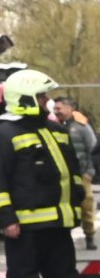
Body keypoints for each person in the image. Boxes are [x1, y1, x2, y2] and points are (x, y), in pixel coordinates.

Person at [0, 71, 91, 278]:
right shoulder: (3, 134)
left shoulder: (57, 130)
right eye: (42, 96)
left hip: (58, 222)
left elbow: (72, 171)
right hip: (24, 225)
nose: (48, 101)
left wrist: (77, 201)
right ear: (25, 98)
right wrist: (6, 218)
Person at [52, 96, 97, 250]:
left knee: (87, 206)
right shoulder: (53, 126)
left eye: (59, 108)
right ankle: (65, 238)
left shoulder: (82, 126)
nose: (56, 111)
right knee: (66, 206)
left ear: (69, 108)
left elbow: (93, 149)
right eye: (55, 108)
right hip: (63, 176)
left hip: (82, 174)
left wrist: (90, 171)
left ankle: (89, 236)